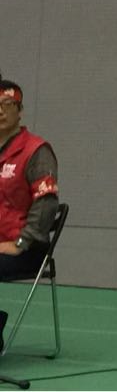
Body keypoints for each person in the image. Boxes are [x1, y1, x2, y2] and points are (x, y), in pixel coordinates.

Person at [0, 80, 60, 350]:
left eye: (7, 104)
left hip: (26, 247)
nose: (0, 111)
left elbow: (46, 204)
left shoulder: (36, 151)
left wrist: (21, 242)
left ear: (20, 110)